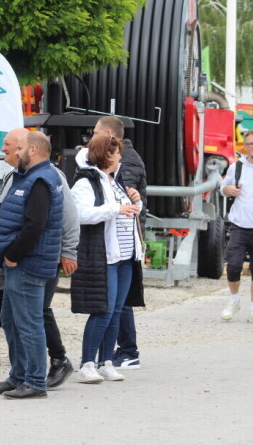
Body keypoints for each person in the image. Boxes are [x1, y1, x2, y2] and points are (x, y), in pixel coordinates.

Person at [0, 128, 79, 389]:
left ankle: (34, 380)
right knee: (11, 319)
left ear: (31, 150)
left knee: (30, 321)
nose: (10, 151)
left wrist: (12, 256)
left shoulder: (43, 178)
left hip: (30, 261)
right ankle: (18, 376)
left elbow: (36, 224)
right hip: (21, 262)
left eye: (15, 147)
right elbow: (15, 212)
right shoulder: (22, 176)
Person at [70, 134, 144, 383]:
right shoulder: (85, 182)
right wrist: (116, 209)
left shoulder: (116, 181)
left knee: (116, 311)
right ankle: (87, 363)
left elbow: (129, 212)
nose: (120, 157)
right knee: (102, 310)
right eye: (116, 152)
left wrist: (137, 202)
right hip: (104, 256)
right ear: (105, 155)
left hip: (125, 255)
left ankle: (106, 361)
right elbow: (80, 214)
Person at [220, 130, 253, 323]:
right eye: (251, 143)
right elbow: (223, 187)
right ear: (245, 146)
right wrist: (228, 190)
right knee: (233, 265)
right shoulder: (236, 167)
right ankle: (234, 299)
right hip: (239, 225)